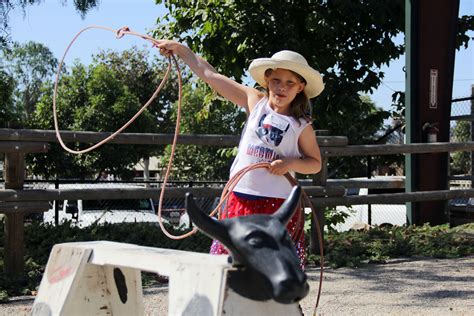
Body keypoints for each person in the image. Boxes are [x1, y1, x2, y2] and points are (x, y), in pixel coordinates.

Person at [157, 41, 324, 268]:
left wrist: (290, 162)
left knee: (273, 265)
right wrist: (181, 50)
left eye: (289, 83)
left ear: (300, 88)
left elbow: (314, 163)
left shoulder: (301, 125)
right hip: (239, 196)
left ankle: (280, 302)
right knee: (230, 262)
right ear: (267, 80)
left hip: (277, 207)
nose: (281, 87)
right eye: (276, 80)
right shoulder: (254, 102)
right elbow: (211, 76)